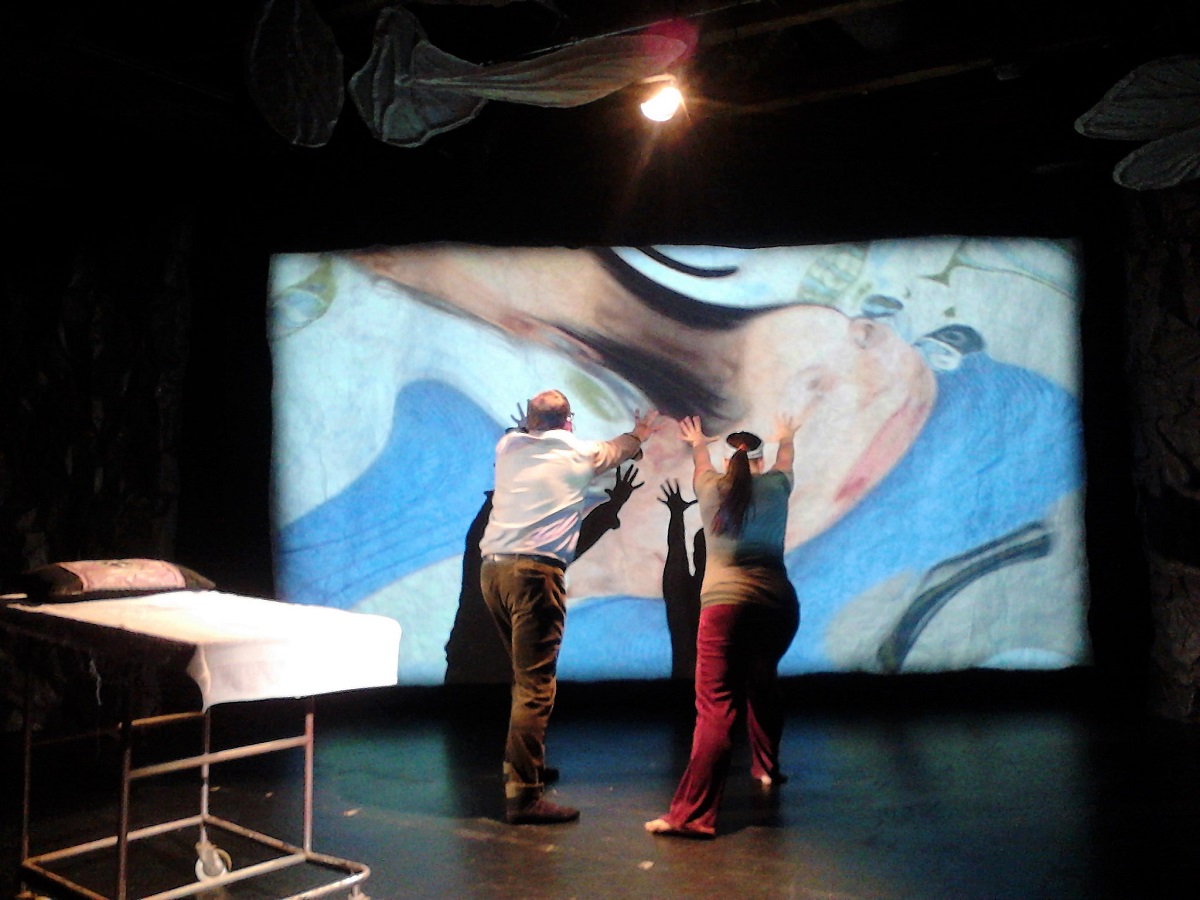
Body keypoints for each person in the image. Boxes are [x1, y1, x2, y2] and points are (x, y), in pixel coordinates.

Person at [480, 389, 660, 824]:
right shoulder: (580, 454)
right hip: (534, 576)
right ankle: (524, 796)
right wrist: (640, 431)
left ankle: (523, 767)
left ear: (529, 422)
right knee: (535, 686)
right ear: (569, 422)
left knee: (523, 678)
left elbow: (527, 430)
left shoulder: (508, 447)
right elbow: (621, 448)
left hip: (494, 572)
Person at [645, 413, 804, 838]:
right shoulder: (777, 485)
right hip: (778, 604)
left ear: (726, 460)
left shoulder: (710, 487)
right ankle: (767, 768)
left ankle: (693, 816)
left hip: (725, 607)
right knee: (763, 680)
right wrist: (786, 436)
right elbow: (786, 459)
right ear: (760, 460)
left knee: (716, 707)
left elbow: (701, 461)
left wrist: (698, 442)